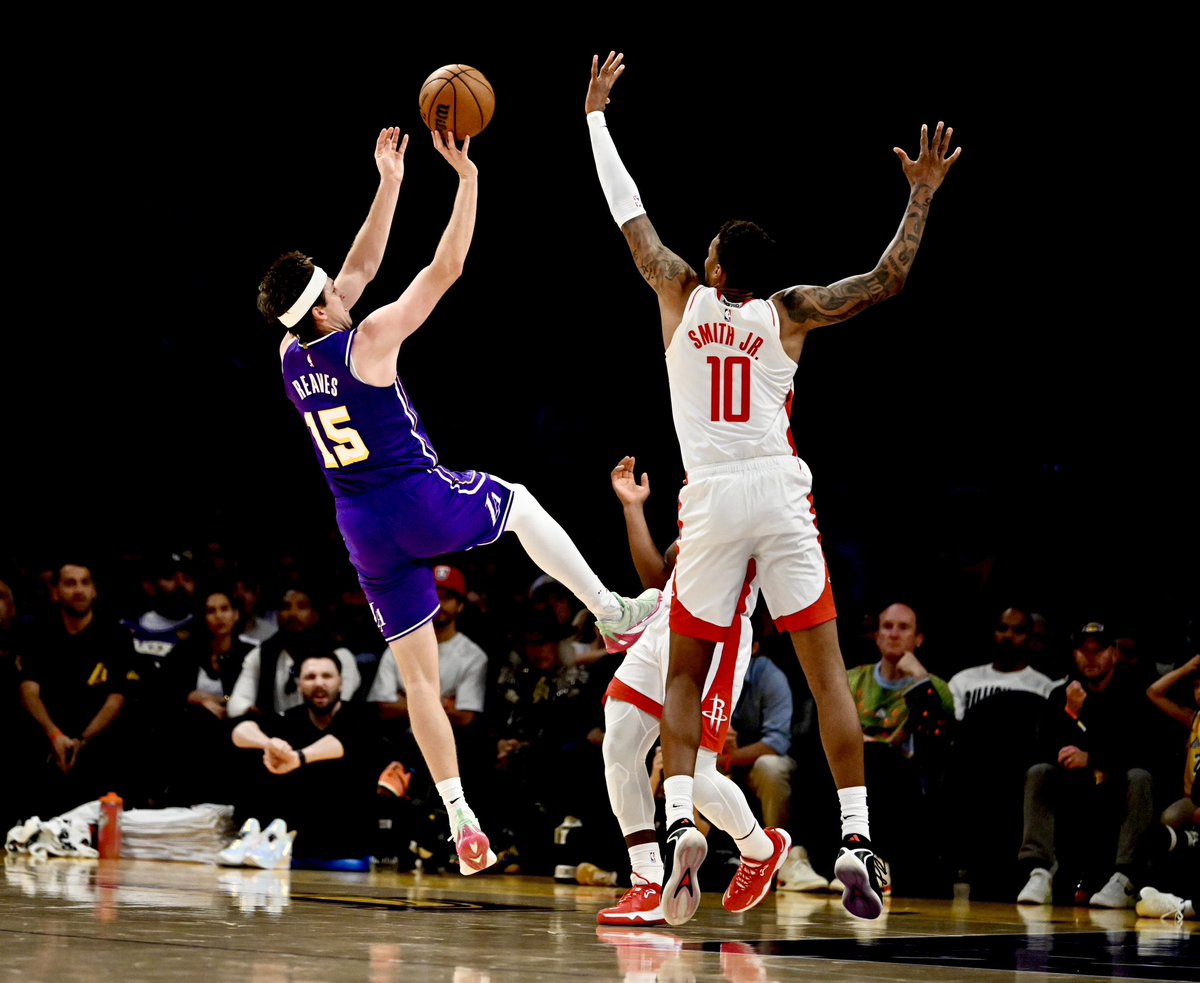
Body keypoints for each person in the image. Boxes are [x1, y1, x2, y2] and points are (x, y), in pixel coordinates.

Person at [584, 51, 959, 924]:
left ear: (713, 265)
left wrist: (596, 118)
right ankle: (858, 837)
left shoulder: (678, 289)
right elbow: (887, 280)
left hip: (710, 498)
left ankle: (680, 820)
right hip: (782, 495)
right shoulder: (788, 310)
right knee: (829, 672)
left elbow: (628, 210)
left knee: (684, 675)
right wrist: (922, 194)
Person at [255, 125, 660, 875]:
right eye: (330, 292)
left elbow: (358, 266)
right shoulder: (368, 339)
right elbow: (446, 266)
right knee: (520, 502)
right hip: (413, 496)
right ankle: (609, 607)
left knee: (418, 681)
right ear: (323, 311)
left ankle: (458, 814)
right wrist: (467, 181)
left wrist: (390, 180)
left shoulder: (290, 354)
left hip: (360, 529)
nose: (343, 287)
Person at [596, 455, 792, 927]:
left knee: (696, 768)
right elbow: (659, 579)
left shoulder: (762, 498)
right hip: (667, 620)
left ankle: (762, 850)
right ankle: (645, 880)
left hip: (717, 634)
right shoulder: (705, 493)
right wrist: (632, 509)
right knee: (619, 741)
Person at [1015, 621, 1160, 908]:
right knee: (1039, 772)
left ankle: (1125, 878)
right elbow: (1046, 748)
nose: (1090, 657)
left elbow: (1140, 750)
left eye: (1099, 650)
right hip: (1075, 787)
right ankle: (1040, 871)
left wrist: (1092, 757)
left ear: (1114, 654)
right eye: (1083, 650)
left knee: (1140, 776)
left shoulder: (1132, 695)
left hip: (1116, 786)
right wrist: (1070, 712)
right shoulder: (1063, 695)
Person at [230, 653, 378, 865]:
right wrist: (268, 744)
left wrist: (298, 757)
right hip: (297, 846)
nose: (319, 683)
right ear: (299, 685)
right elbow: (240, 730)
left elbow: (343, 742)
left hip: (348, 845)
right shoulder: (289, 718)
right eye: (310, 677)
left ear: (341, 683)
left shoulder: (361, 718)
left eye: (327, 676)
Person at [16, 561, 136, 817]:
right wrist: (55, 735)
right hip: (49, 739)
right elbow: (28, 691)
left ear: (95, 590)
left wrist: (82, 741)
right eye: (70, 583)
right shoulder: (37, 633)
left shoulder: (116, 636)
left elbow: (116, 698)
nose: (79, 590)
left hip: (97, 742)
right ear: (56, 592)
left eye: (85, 582)